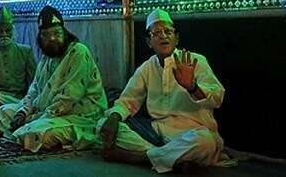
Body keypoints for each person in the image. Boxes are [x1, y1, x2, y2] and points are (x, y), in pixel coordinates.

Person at [99, 9, 231, 173]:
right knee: (102, 126)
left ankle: (138, 157)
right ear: (149, 41)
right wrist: (114, 117)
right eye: (157, 33)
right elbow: (128, 101)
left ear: (177, 38)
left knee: (206, 143)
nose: (163, 36)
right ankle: (175, 159)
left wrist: (192, 87)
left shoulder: (196, 61)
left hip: (191, 132)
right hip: (157, 132)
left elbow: (217, 98)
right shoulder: (147, 68)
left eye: (168, 31)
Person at [0, 5, 107, 153]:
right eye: (46, 35)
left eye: (56, 33)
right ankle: (18, 132)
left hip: (77, 117)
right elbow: (34, 89)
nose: (52, 39)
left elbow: (67, 100)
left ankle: (19, 135)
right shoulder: (46, 58)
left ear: (65, 32)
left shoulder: (78, 53)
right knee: (1, 114)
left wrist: (32, 119)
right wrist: (22, 112)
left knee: (33, 133)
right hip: (42, 112)